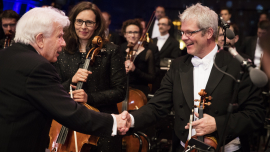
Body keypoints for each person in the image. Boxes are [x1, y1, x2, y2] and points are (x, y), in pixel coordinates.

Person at [123, 3, 265, 152]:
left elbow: (256, 114)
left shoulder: (238, 65)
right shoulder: (178, 65)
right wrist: (130, 119)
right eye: (182, 32)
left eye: (189, 32)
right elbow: (157, 106)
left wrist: (218, 123)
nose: (183, 38)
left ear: (209, 33)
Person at [0, 7, 130, 152]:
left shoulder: (4, 55)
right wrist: (114, 121)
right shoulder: (38, 66)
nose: (63, 43)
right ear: (40, 39)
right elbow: (69, 111)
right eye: (59, 36)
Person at [53, 2, 126, 152]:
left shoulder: (110, 51)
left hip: (103, 123)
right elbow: (54, 87)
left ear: (97, 24)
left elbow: (120, 91)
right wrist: (70, 82)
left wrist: (89, 98)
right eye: (79, 21)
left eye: (89, 22)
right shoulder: (63, 51)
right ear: (73, 22)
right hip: (70, 119)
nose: (83, 27)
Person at [119, 19, 156, 96]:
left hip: (140, 92)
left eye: (136, 32)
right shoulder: (119, 50)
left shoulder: (148, 53)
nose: (132, 35)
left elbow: (152, 78)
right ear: (125, 34)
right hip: (121, 90)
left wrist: (135, 70)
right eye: (130, 32)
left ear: (140, 34)